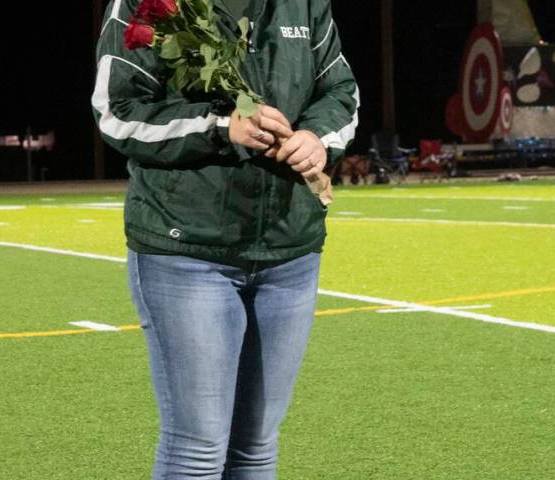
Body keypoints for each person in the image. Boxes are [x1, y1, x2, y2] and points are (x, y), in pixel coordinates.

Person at [92, 0, 359, 478]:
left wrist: (318, 137)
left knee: (257, 446)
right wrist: (219, 127)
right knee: (197, 449)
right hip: (189, 249)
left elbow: (340, 89)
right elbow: (118, 110)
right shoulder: (147, 2)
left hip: (290, 250)